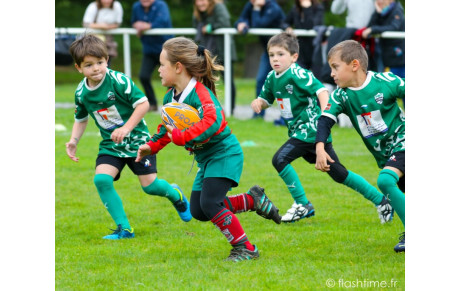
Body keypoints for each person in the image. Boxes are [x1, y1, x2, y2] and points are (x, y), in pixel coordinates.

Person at [135, 37, 282, 262]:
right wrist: (151, 146)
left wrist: (182, 137)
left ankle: (246, 248)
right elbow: (166, 128)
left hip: (224, 153)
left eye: (162, 64)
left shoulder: (200, 92)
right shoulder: (170, 97)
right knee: (199, 210)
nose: (159, 70)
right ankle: (253, 200)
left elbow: (214, 121)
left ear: (178, 67)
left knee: (211, 203)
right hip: (207, 159)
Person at [251, 32, 393, 224]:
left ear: (294, 57)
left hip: (310, 130)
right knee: (339, 174)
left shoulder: (298, 73)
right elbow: (267, 99)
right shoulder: (271, 77)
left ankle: (303, 204)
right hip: (302, 133)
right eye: (272, 55)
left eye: (280, 54)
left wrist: (326, 115)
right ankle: (381, 201)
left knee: (280, 158)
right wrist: (259, 102)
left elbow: (322, 90)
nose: (275, 59)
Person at [66, 34, 192, 240]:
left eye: (100, 62)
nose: (96, 68)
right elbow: (80, 119)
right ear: (78, 68)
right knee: (101, 180)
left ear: (107, 60)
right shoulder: (81, 92)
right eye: (89, 65)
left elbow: (143, 104)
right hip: (111, 145)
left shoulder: (118, 81)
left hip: (138, 142)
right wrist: (73, 141)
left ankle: (175, 194)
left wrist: (126, 128)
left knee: (150, 187)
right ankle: (125, 229)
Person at [315, 40, 405, 252]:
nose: (331, 74)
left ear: (354, 65)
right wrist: (320, 147)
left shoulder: (385, 81)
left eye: (335, 67)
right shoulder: (341, 95)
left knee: (385, 180)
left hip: (404, 141)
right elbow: (325, 121)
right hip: (385, 154)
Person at [235, 0, 285, 118]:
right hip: (268, 52)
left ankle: (286, 117)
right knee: (261, 80)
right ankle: (258, 114)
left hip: (283, 53)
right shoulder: (251, 4)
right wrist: (242, 24)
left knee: (285, 83)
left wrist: (256, 9)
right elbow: (239, 20)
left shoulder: (273, 7)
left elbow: (259, 24)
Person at [193, 0, 237, 114]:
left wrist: (209, 27)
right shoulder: (198, 13)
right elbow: (195, 24)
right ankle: (204, 109)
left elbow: (225, 22)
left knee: (228, 80)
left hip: (223, 51)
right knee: (202, 79)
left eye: (203, 0)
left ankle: (230, 111)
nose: (200, 3)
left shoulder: (219, 7)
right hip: (207, 52)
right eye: (197, 1)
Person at [131, 0, 173, 112]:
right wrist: (137, 25)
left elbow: (162, 21)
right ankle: (152, 103)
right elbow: (133, 21)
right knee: (143, 76)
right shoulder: (136, 6)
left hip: (165, 49)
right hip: (149, 49)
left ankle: (171, 104)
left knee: (171, 77)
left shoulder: (161, 5)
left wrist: (146, 26)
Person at [361, 0, 405, 106]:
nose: (379, 1)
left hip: (399, 57)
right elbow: (369, 26)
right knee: (388, 91)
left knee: (403, 89)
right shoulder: (382, 13)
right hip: (387, 57)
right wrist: (377, 13)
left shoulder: (397, 10)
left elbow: (393, 27)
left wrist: (373, 29)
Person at [282, 0, 325, 70]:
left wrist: (307, 9)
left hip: (315, 49)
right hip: (300, 50)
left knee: (316, 78)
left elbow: (310, 26)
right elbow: (284, 23)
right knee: (300, 77)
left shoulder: (318, 8)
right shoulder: (295, 9)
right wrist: (287, 28)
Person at [82, 0, 123, 68]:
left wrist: (107, 27)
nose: (107, 1)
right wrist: (101, 26)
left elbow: (118, 23)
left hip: (108, 43)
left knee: (105, 66)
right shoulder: (93, 6)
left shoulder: (117, 6)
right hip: (92, 42)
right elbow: (86, 23)